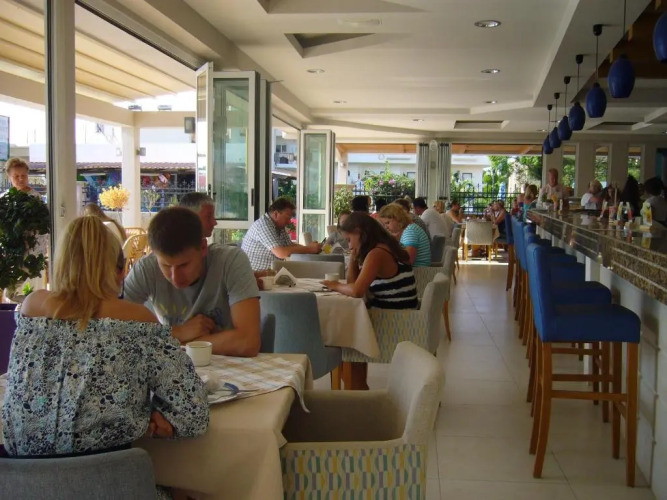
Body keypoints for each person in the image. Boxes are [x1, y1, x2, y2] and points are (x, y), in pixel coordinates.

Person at [1, 215, 209, 459]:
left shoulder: (31, 308)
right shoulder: (136, 320)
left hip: (21, 478)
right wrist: (149, 418)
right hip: (107, 478)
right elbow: (194, 413)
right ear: (120, 271)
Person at [125, 207, 260, 357]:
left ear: (203, 247)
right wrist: (177, 332)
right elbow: (112, 329)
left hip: (228, 364)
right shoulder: (146, 268)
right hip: (173, 364)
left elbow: (248, 342)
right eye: (166, 266)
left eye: (184, 265)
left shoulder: (231, 261)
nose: (175, 278)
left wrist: (175, 342)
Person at [322, 212, 418, 309]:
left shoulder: (377, 254)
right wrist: (354, 254)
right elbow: (352, 283)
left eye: (349, 240)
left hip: (391, 315)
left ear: (359, 232)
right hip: (405, 312)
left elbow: (356, 291)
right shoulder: (388, 246)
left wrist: (335, 285)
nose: (349, 246)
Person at [241, 197, 321, 271]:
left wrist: (310, 248)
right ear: (276, 214)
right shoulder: (263, 225)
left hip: (269, 273)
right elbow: (281, 253)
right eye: (287, 218)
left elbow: (290, 245)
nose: (289, 222)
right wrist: (309, 249)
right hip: (256, 275)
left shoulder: (279, 226)